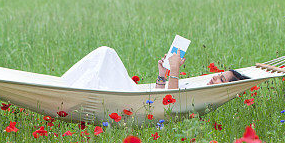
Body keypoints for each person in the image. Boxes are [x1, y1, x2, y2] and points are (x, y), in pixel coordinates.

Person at [62, 46, 249, 91]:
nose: (215, 78)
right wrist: (162, 75)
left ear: (225, 88)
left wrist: (174, 68)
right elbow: (161, 102)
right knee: (105, 54)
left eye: (221, 79)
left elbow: (171, 102)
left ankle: (67, 89)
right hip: (136, 94)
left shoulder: (203, 96)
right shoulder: (201, 87)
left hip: (130, 97)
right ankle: (65, 85)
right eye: (219, 75)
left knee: (105, 55)